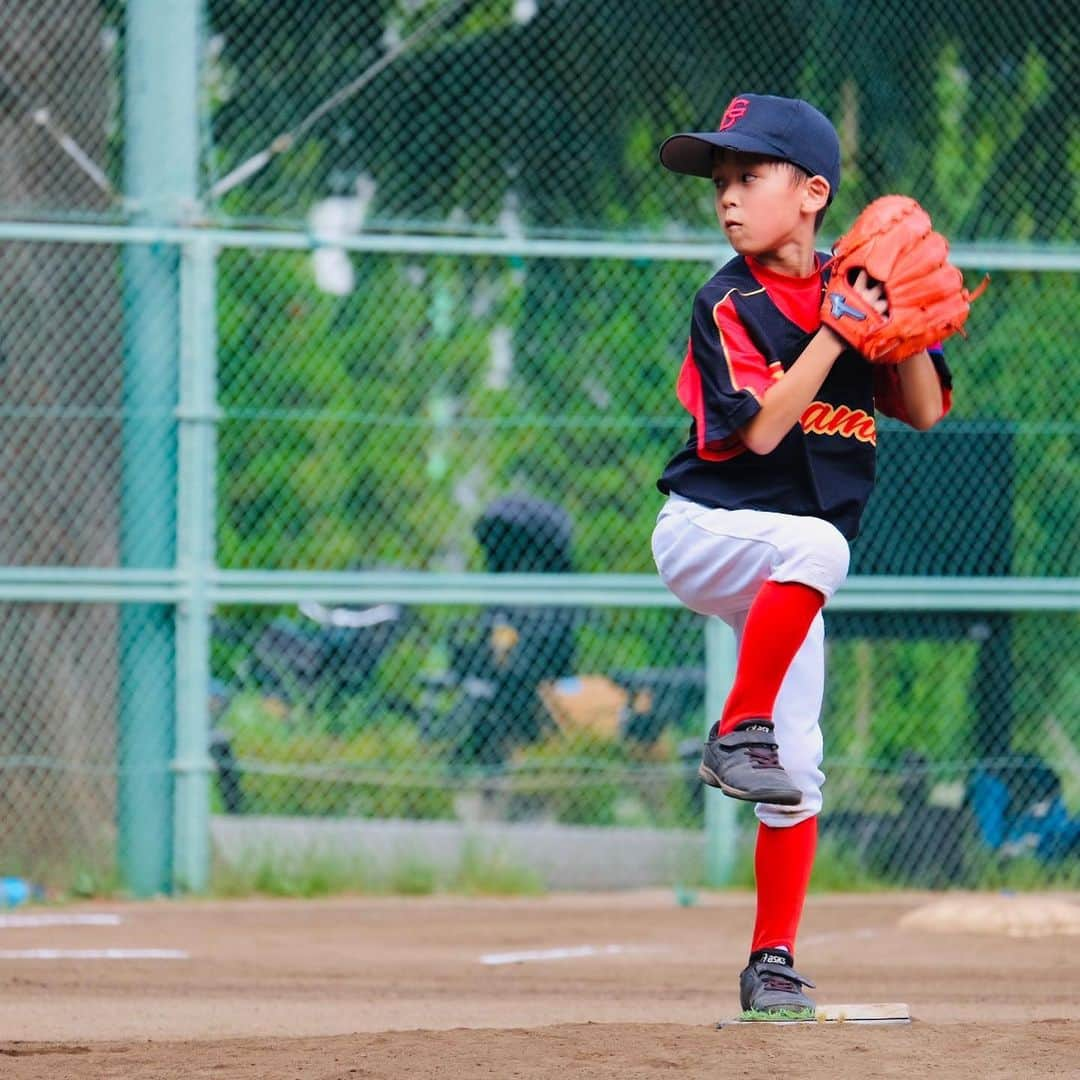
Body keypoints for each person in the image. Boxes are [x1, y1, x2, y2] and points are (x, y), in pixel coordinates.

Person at [650, 93, 951, 1015]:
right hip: (708, 530)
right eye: (720, 183)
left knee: (800, 767)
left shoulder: (855, 282)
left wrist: (896, 323)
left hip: (789, 571)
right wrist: (835, 331)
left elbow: (928, 411)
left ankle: (771, 963)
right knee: (818, 545)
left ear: (813, 192)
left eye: (749, 175)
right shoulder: (727, 301)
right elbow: (768, 434)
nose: (728, 197)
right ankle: (735, 730)